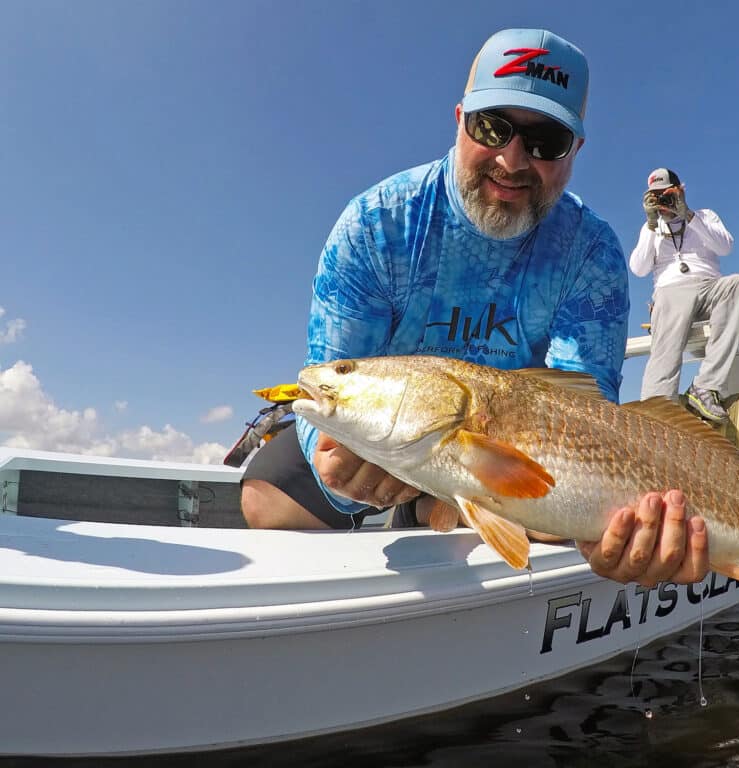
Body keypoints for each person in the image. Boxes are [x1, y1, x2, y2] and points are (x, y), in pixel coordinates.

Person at [241, 29, 708, 588]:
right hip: (399, 440)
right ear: (459, 118)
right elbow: (336, 381)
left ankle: (437, 509)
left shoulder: (593, 253)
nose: (512, 160)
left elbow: (585, 411)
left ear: (576, 150)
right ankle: (428, 505)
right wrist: (335, 461)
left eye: (546, 141)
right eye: (493, 127)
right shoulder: (375, 224)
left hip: (520, 453)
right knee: (265, 498)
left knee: (560, 519)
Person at [629, 168, 739, 424]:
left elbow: (725, 246)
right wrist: (652, 224)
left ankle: (705, 388)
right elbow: (638, 268)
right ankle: (656, 414)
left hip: (710, 287)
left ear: (680, 190)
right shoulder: (649, 228)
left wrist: (688, 214)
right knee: (666, 353)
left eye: (667, 194)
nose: (663, 202)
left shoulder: (705, 216)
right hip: (671, 290)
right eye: (655, 197)